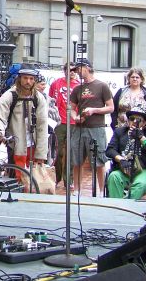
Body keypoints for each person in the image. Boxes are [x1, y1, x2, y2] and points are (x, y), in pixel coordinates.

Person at [0, 69, 48, 181]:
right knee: (17, 178)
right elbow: (0, 117)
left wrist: (41, 153)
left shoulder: (38, 98)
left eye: (31, 79)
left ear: (34, 81)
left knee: (33, 180)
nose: (28, 81)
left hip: (33, 145)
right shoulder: (9, 95)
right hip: (16, 144)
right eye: (25, 78)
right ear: (19, 78)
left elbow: (42, 125)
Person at [70, 59, 114, 196]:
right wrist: (75, 117)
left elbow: (111, 107)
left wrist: (94, 110)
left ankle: (101, 192)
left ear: (87, 68)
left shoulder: (102, 86)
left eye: (79, 68)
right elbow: (71, 108)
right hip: (79, 128)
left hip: (96, 128)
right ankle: (77, 191)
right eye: (76, 69)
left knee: (99, 161)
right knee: (77, 160)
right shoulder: (77, 88)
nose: (77, 72)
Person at [106, 106, 146, 199]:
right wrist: (121, 159)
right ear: (128, 121)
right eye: (132, 119)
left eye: (138, 120)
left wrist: (142, 138)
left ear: (144, 123)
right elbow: (110, 150)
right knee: (113, 177)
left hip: (143, 170)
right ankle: (117, 208)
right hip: (124, 169)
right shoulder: (120, 132)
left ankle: (127, 208)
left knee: (140, 185)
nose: (134, 122)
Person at [49, 62, 80, 187]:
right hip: (59, 122)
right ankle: (56, 178)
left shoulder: (79, 86)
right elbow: (50, 101)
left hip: (74, 123)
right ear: (65, 70)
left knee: (71, 152)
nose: (72, 72)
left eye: (74, 70)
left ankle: (69, 180)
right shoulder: (56, 83)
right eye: (69, 70)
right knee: (57, 152)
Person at [36, 73, 61, 165]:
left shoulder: (49, 99)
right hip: (32, 135)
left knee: (46, 159)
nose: (44, 87)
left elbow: (57, 119)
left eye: (44, 84)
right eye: (41, 84)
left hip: (46, 134)